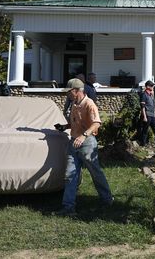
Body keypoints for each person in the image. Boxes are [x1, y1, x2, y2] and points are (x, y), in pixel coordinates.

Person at [54, 78, 113, 216]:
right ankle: (68, 207)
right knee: (69, 175)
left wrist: (83, 136)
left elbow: (96, 123)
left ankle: (107, 199)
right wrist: (65, 127)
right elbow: (77, 123)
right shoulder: (74, 103)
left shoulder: (89, 104)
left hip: (87, 144)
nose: (67, 95)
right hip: (73, 142)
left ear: (76, 91)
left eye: (69, 92)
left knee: (95, 172)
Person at [139, 80, 155, 146]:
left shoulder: (151, 95)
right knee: (145, 130)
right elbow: (142, 107)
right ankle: (143, 144)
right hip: (147, 115)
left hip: (152, 115)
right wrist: (144, 117)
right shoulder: (144, 95)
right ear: (147, 86)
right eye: (151, 86)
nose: (153, 87)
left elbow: (152, 106)